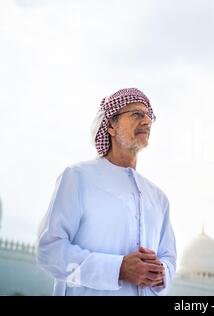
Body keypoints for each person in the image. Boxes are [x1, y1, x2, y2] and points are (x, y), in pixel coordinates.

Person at [37, 88, 176, 296]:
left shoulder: (158, 198)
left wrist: (161, 273)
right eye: (137, 114)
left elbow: (169, 258)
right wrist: (118, 269)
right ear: (111, 125)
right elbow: (50, 251)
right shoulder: (78, 178)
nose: (147, 121)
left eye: (149, 116)